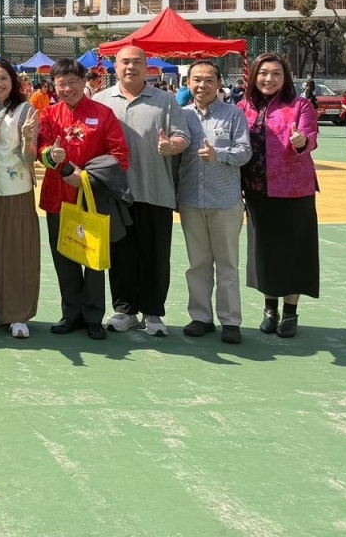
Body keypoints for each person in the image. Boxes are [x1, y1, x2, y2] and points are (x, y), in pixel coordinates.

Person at [91, 46, 189, 337]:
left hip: (155, 191)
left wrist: (172, 146)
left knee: (155, 255)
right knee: (120, 254)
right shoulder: (100, 100)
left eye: (137, 62)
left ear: (147, 67)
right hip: (115, 194)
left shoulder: (165, 101)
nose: (130, 67)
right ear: (115, 67)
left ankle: (153, 312)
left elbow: (182, 136)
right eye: (124, 62)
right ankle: (124, 310)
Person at [37, 58, 129, 340]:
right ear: (53, 86)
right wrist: (51, 157)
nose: (67, 88)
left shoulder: (103, 114)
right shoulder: (48, 115)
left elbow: (119, 156)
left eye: (73, 82)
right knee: (63, 256)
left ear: (83, 81)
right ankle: (71, 313)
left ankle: (93, 316)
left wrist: (86, 177)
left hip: (92, 198)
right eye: (61, 84)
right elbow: (40, 148)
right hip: (57, 197)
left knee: (92, 257)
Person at [238, 53, 319, 337]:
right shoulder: (242, 107)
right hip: (256, 191)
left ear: (285, 78)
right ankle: (269, 309)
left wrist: (301, 140)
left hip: (294, 191)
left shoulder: (300, 105)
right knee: (264, 251)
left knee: (295, 252)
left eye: (276, 73)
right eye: (263, 73)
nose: (269, 79)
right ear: (254, 76)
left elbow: (310, 138)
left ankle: (290, 313)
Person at [176, 60, 252, 345]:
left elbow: (244, 152)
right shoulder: (181, 116)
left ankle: (230, 321)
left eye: (209, 80)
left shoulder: (233, 115)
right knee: (198, 264)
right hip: (191, 201)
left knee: (227, 264)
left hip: (225, 201)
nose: (202, 85)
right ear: (188, 83)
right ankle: (201, 317)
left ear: (219, 84)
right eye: (196, 79)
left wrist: (218, 155)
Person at [0, 59, 39, 338]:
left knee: (16, 251)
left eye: (3, 78)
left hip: (14, 188)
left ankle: (19, 313)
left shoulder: (25, 109)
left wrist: (27, 139)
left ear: (13, 80)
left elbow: (30, 157)